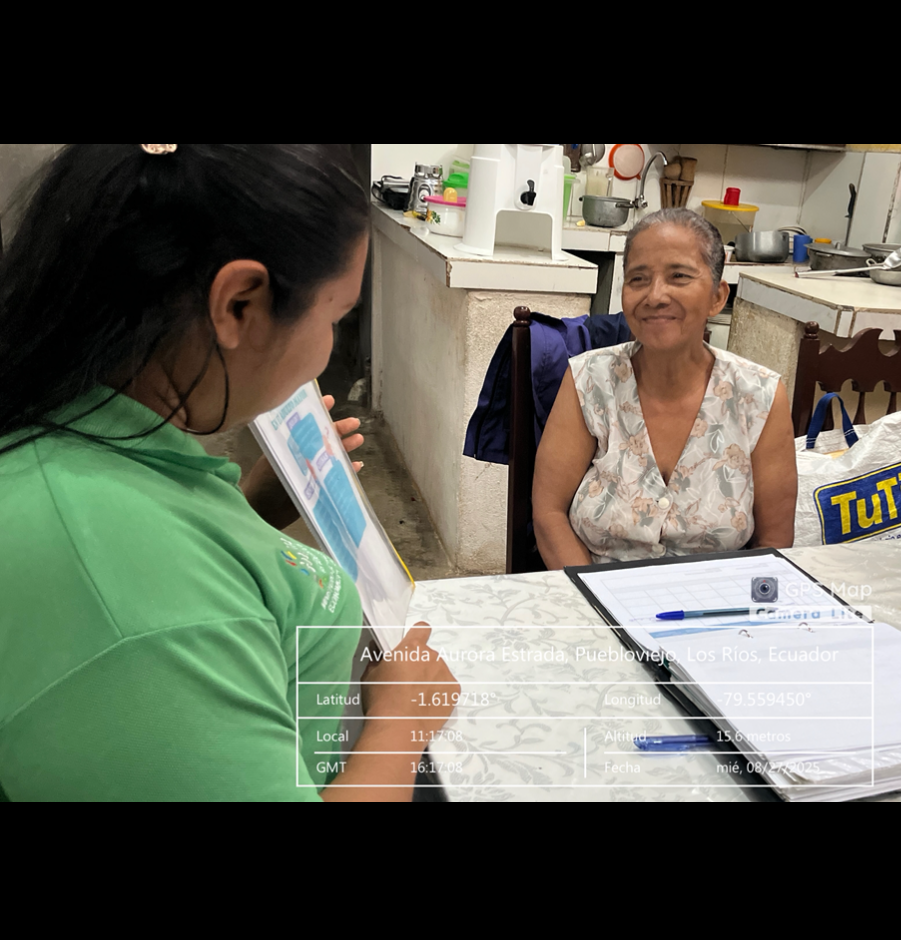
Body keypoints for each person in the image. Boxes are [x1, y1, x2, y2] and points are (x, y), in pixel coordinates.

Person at [0, 144, 459, 803]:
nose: (327, 348)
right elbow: (158, 608)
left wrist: (248, 509)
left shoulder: (82, 427)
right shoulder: (133, 613)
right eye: (335, 317)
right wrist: (400, 722)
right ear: (240, 304)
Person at [532, 210, 798, 566]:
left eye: (679, 276)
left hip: (717, 594)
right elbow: (549, 513)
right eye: (638, 279)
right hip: (596, 589)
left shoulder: (759, 396)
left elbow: (774, 541)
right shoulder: (589, 379)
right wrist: (591, 595)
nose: (655, 296)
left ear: (718, 297)